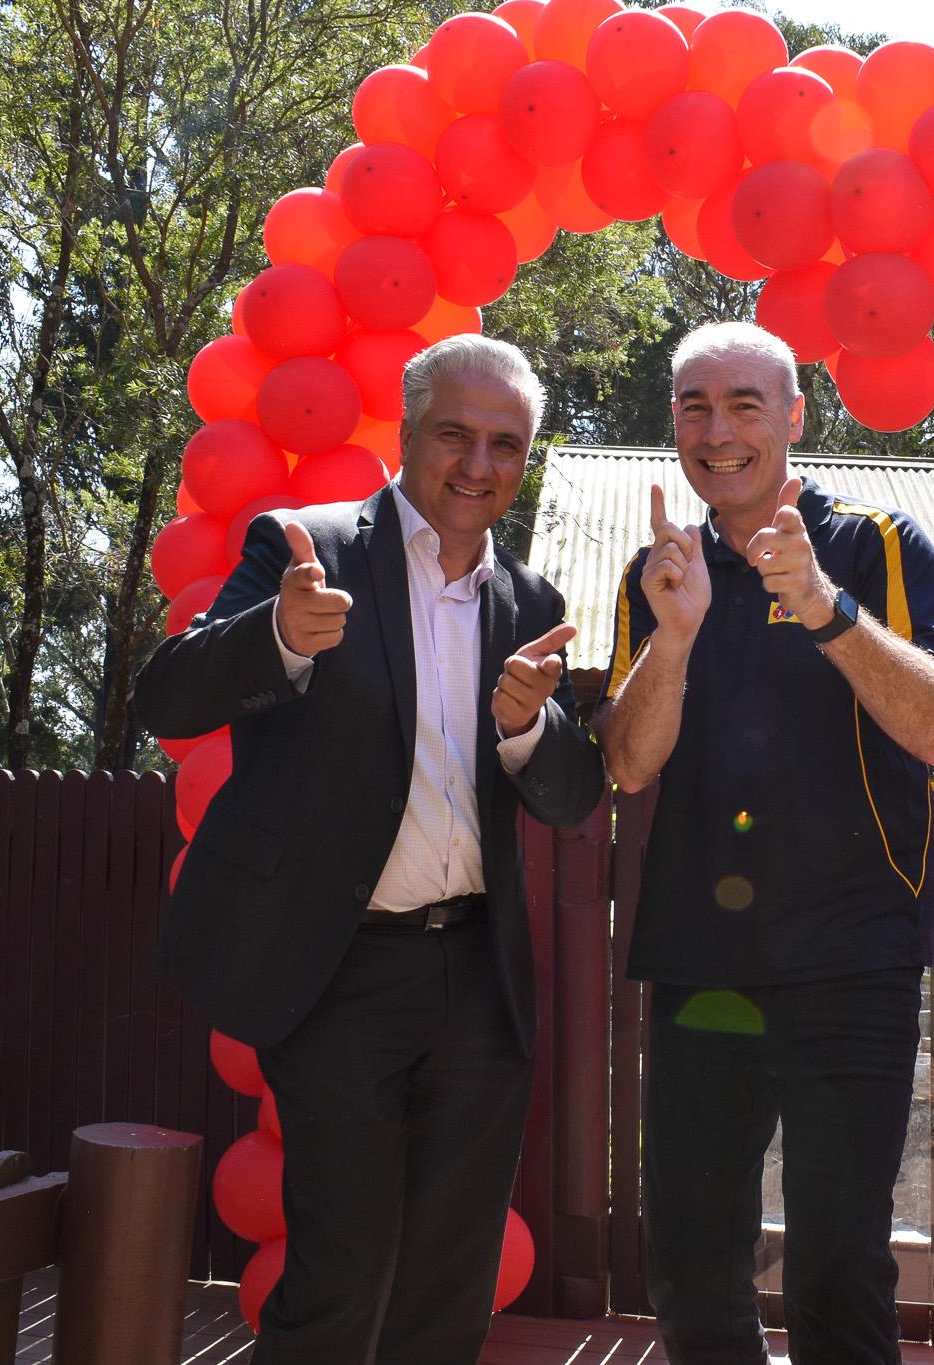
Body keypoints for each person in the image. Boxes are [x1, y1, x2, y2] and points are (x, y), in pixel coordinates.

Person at [134, 334, 606, 1364]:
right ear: (406, 432)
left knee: (449, 1286)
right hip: (339, 969)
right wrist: (279, 638)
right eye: (454, 436)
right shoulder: (305, 547)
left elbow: (573, 796)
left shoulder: (529, 606)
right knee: (340, 1280)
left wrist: (529, 728)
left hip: (478, 980)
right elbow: (167, 696)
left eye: (505, 445)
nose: (478, 467)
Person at [593, 321, 934, 1364]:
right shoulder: (658, 571)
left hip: (850, 963)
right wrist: (672, 635)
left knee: (833, 1268)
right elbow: (628, 763)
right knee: (689, 1266)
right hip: (698, 966)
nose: (716, 431)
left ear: (795, 417)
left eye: (742, 405)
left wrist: (819, 605)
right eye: (693, 406)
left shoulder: (877, 544)